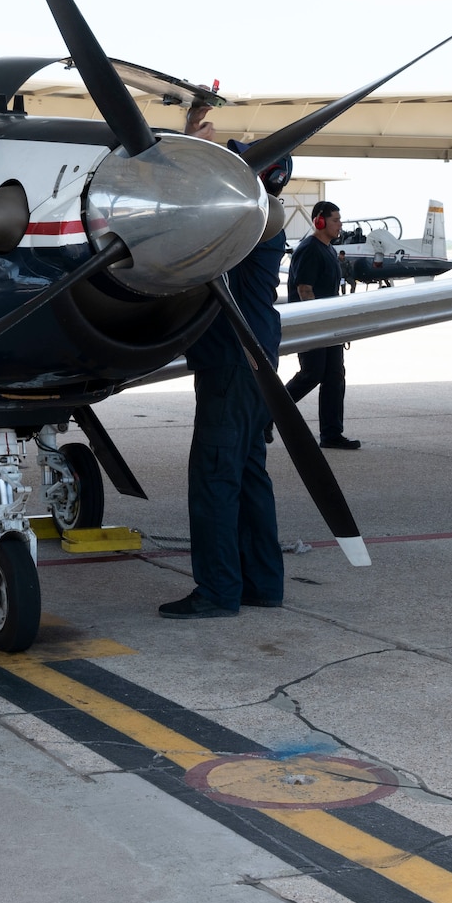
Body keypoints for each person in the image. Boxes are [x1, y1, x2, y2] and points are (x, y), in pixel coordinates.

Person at [160, 137, 292, 620]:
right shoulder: (259, 220)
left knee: (215, 478)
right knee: (249, 475)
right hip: (255, 365)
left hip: (231, 369)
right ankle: (262, 583)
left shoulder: (244, 218)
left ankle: (217, 591)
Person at [285, 200, 360, 451]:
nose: (340, 224)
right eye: (335, 220)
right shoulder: (309, 249)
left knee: (335, 377)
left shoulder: (328, 249)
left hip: (329, 325)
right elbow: (305, 290)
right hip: (312, 324)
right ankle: (264, 415)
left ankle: (331, 434)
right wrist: (318, 322)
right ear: (319, 220)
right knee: (312, 374)